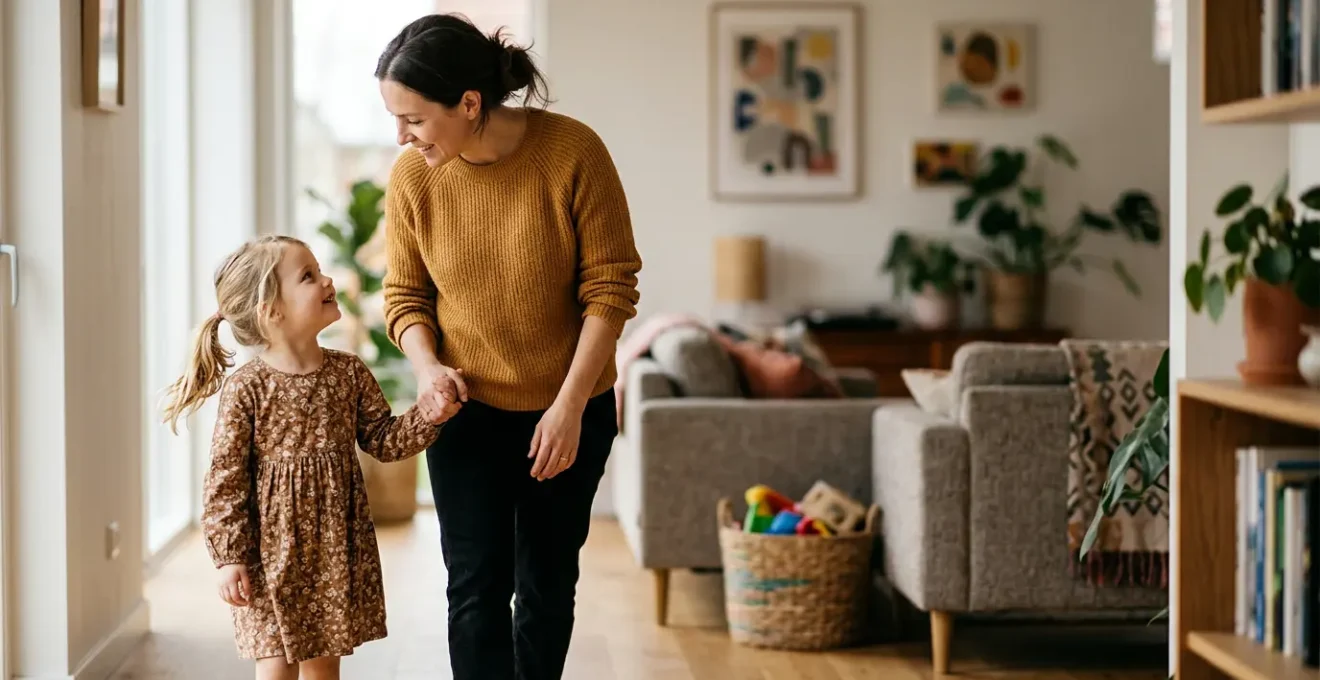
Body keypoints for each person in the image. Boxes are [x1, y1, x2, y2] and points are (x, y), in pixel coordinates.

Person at [375, 13, 643, 680]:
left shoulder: (574, 152)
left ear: (470, 104)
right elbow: (405, 297)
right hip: (466, 415)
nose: (402, 136)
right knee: (474, 588)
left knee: (547, 586)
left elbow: (610, 288)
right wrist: (428, 365)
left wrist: (570, 406)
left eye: (414, 118)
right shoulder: (413, 177)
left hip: (569, 409)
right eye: (394, 119)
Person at [160, 235, 462, 680]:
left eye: (319, 270)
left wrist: (430, 415)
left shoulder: (348, 372)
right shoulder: (248, 389)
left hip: (333, 551)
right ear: (271, 311)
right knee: (276, 665)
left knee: (323, 667)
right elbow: (225, 481)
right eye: (308, 276)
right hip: (269, 555)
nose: (327, 280)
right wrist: (229, 557)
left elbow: (382, 438)